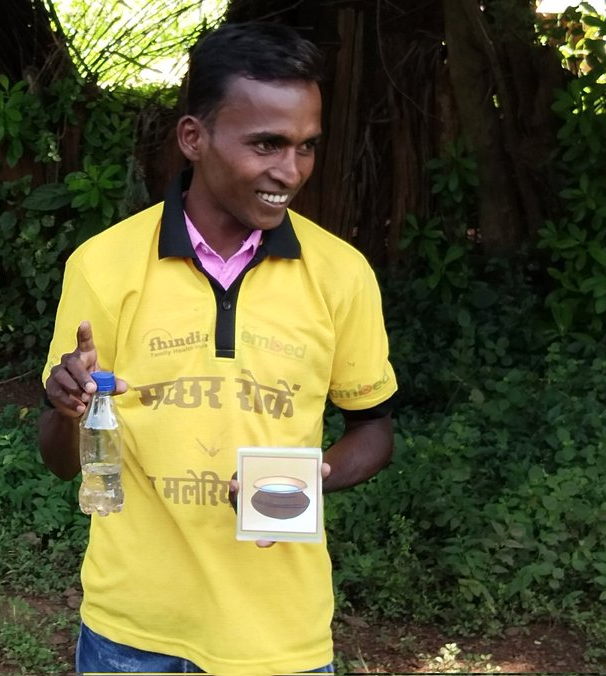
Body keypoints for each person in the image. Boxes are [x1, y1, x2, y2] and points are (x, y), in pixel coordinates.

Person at [39, 21, 398, 675]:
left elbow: (373, 430)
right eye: (266, 144)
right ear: (193, 138)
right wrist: (66, 409)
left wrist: (321, 476)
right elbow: (66, 464)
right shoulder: (105, 266)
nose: (289, 172)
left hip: (278, 637)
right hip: (133, 631)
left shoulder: (340, 275)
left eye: (306, 147)